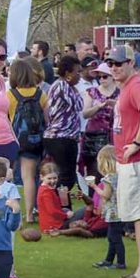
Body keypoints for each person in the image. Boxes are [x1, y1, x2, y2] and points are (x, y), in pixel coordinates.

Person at [107, 46, 140, 278]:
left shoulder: (136, 85)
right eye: (111, 63)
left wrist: (137, 143)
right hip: (130, 160)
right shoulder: (128, 86)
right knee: (138, 213)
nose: (114, 67)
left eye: (119, 63)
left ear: (131, 63)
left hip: (138, 160)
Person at [6, 58, 48, 223]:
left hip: (17, 139)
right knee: (31, 177)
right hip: (37, 141)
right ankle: (32, 213)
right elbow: (47, 119)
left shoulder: (10, 95)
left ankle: (18, 211)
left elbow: (6, 118)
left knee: (18, 177)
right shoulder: (40, 93)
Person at [44, 55, 83, 199]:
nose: (79, 76)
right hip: (60, 137)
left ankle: (62, 204)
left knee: (68, 175)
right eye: (77, 72)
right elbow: (79, 105)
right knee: (66, 176)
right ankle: (56, 203)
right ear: (67, 73)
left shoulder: (66, 87)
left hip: (66, 137)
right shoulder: (62, 86)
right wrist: (77, 92)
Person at [89, 146, 126, 270]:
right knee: (112, 236)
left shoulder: (108, 179)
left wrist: (94, 187)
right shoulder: (120, 176)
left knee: (115, 238)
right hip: (120, 210)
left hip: (113, 212)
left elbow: (106, 194)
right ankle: (108, 260)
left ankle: (121, 262)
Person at [82, 62, 119, 182]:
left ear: (112, 76)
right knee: (94, 172)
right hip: (94, 138)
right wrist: (98, 107)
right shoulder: (92, 92)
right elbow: (85, 114)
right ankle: (94, 199)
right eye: (99, 77)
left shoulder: (120, 92)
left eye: (105, 76)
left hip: (113, 136)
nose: (101, 79)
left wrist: (116, 106)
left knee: (113, 171)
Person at [36, 163, 91, 237]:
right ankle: (89, 226)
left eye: (55, 178)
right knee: (85, 209)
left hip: (48, 224)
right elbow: (52, 211)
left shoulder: (44, 189)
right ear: (41, 177)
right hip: (55, 226)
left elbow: (56, 206)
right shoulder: (46, 193)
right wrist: (66, 216)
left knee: (65, 209)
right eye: (49, 178)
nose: (52, 181)